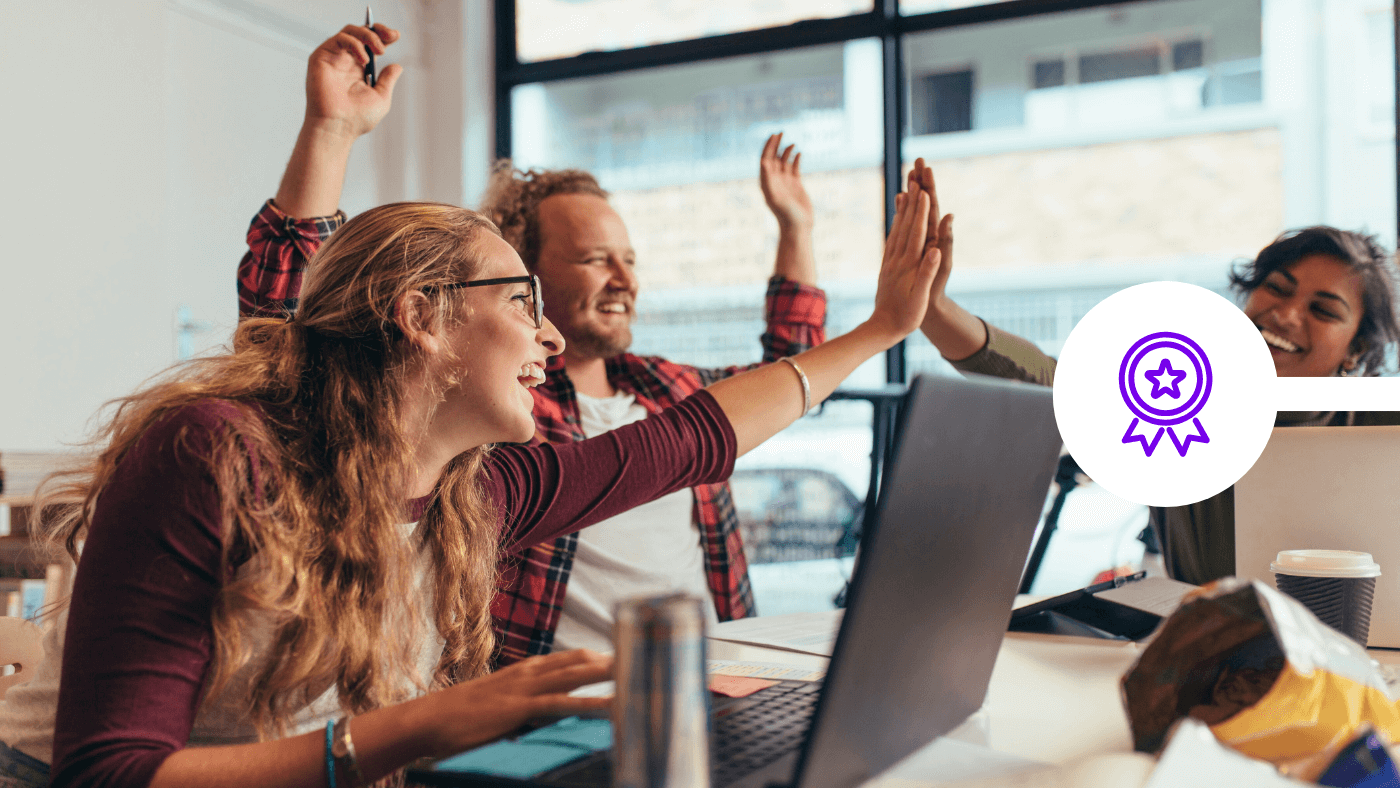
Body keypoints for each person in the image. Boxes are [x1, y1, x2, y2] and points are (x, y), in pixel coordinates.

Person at [0, 136, 944, 788]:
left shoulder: (472, 490)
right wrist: (410, 732)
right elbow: (108, 773)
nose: (545, 332)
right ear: (422, 316)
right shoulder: (213, 454)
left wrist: (883, 330)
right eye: (522, 299)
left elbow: (695, 435)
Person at [237, 24, 827, 664]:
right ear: (528, 271)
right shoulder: (493, 410)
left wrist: (796, 228)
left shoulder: (667, 388)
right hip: (552, 711)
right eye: (597, 259)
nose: (625, 278)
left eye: (629, 259)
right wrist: (330, 132)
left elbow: (786, 378)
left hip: (706, 682)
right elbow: (300, 322)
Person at [904, 161, 1400, 586]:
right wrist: (933, 309)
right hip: (1206, 667)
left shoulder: (1382, 425)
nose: (1287, 314)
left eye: (1323, 310)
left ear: (1356, 350)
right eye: (1276, 288)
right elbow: (1048, 377)